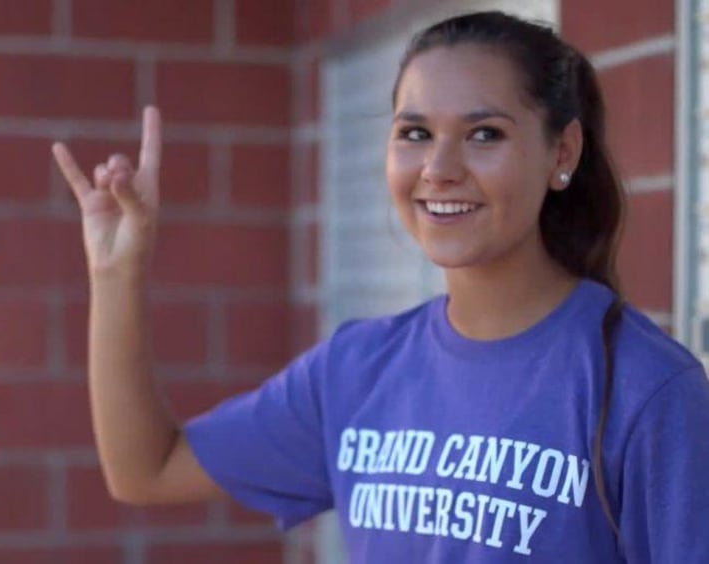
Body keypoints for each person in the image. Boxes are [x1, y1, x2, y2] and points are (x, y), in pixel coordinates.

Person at [52, 10, 709, 564]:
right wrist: (116, 272)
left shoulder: (646, 390)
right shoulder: (358, 371)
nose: (439, 168)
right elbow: (147, 468)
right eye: (415, 134)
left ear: (562, 153)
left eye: (484, 134)